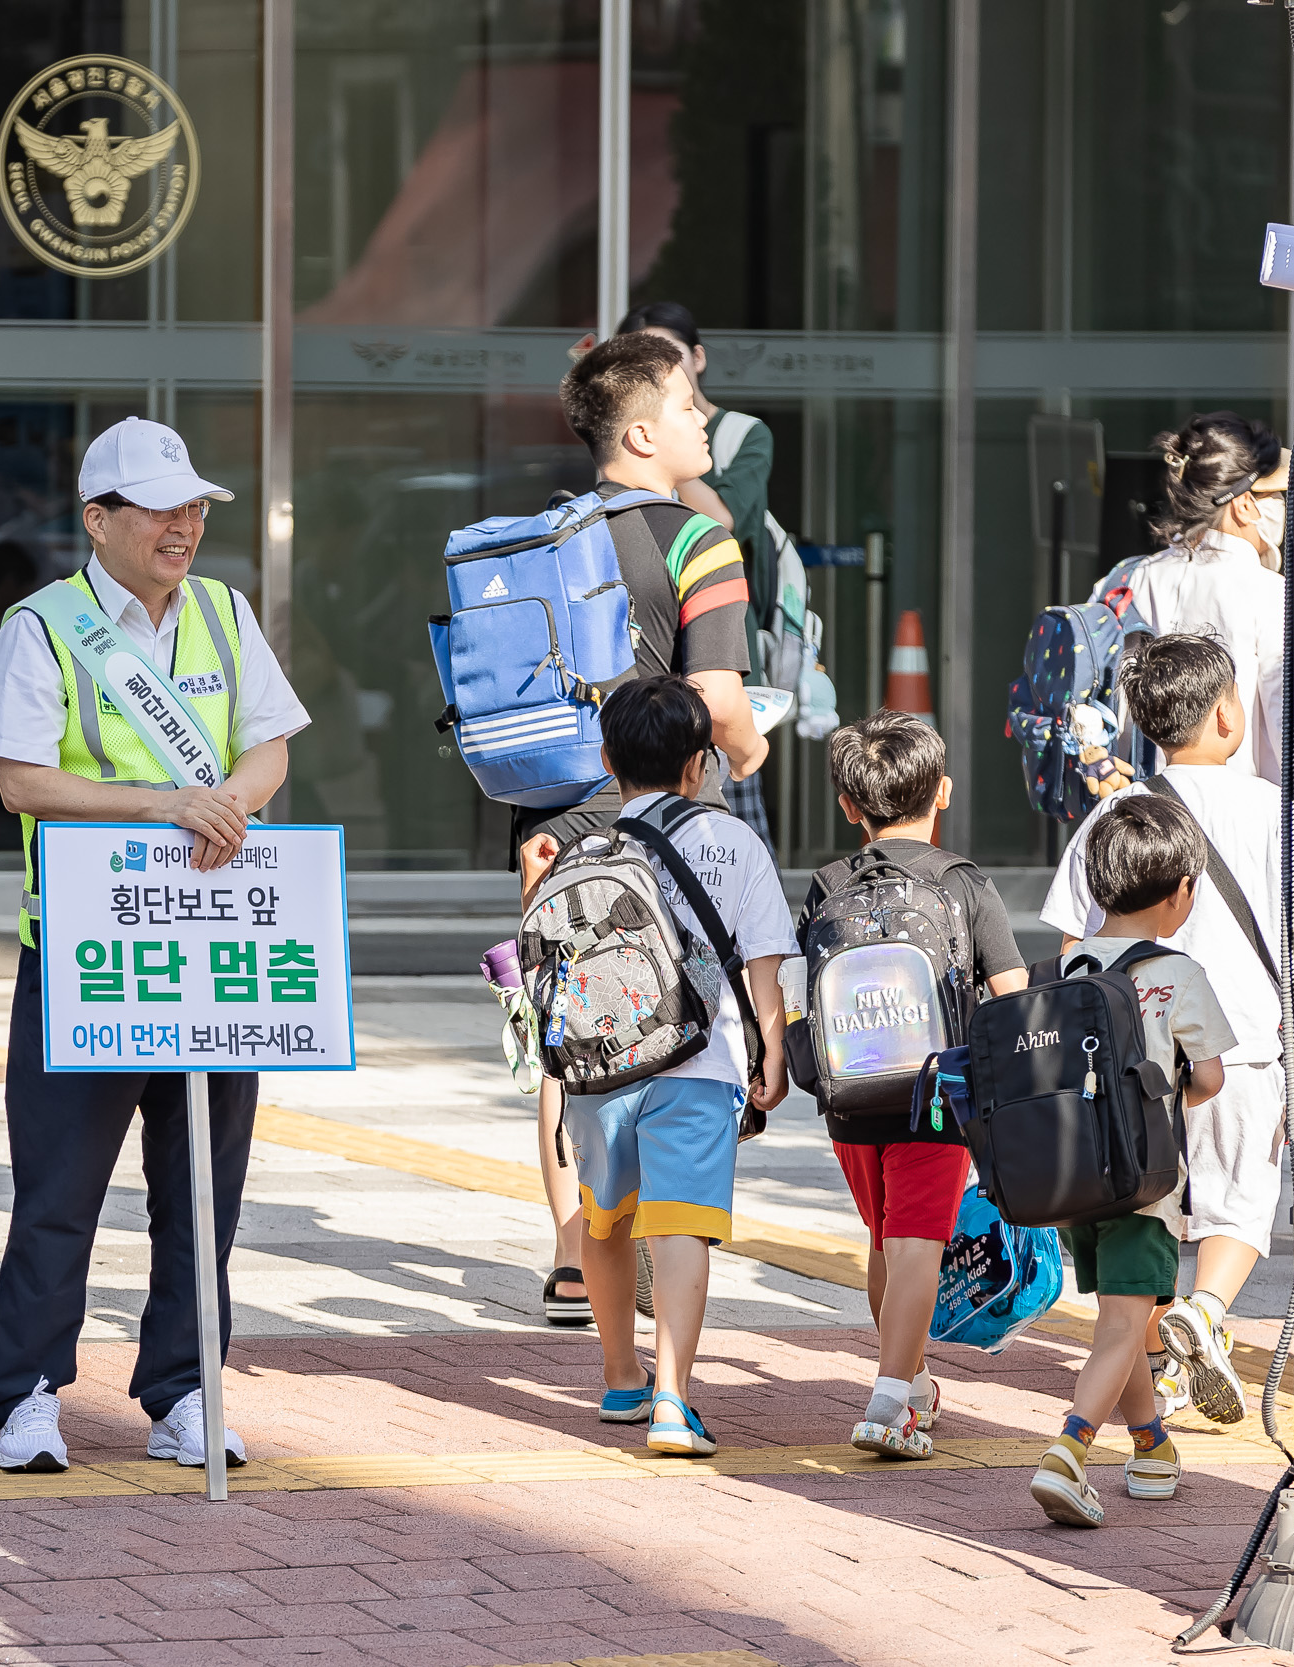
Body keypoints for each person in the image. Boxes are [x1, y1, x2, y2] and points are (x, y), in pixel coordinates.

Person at [0, 417, 310, 1473]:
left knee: (203, 1183)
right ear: (97, 521)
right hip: (88, 947)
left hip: (211, 941)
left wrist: (228, 808)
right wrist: (169, 804)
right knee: (59, 1186)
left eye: (195, 504)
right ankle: (28, 1393)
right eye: (161, 506)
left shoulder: (221, 609)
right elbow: (21, 778)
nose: (186, 523)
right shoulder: (42, 625)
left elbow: (270, 747)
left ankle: (185, 1389)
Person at [522, 331, 774, 1332]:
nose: (702, 419)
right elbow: (716, 693)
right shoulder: (697, 536)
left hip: (554, 814)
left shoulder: (546, 530)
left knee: (565, 1023)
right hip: (664, 814)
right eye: (685, 407)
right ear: (639, 431)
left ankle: (575, 1253)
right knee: (672, 1026)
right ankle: (658, 1247)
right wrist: (749, 750)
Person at [518, 675, 792, 1457]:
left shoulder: (579, 845)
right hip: (700, 1062)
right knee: (680, 1229)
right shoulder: (735, 843)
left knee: (605, 1221)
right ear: (700, 764)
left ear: (608, 760)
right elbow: (765, 967)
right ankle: (673, 1399)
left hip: (600, 1069)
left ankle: (618, 1375)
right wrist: (773, 1054)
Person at [1041, 635, 1283, 1429]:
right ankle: (1206, 1312)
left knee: (1151, 1217)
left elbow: (1072, 946)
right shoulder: (1274, 809)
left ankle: (1159, 1370)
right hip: (1239, 1049)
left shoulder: (1116, 810)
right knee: (1240, 1208)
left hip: (1134, 1063)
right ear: (1227, 711)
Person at [802, 711, 1027, 1458]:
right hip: (936, 1096)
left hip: (851, 1101)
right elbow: (1011, 989)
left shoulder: (827, 883)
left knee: (887, 1243)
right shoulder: (963, 882)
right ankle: (889, 1400)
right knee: (917, 1248)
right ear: (944, 792)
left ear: (849, 805)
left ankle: (914, 1380)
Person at [1029, 795, 1234, 1529]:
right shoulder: (1179, 972)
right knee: (1122, 1326)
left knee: (1132, 1315)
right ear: (1180, 893)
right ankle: (1067, 1451)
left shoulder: (1066, 963)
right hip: (1143, 1183)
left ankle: (1150, 1447)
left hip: (1071, 1180)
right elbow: (1208, 1079)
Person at [616, 300, 776, 847]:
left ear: (699, 357)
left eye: (673, 355)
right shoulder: (637, 462)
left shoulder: (740, 435)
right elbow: (720, 704)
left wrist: (670, 460)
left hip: (717, 643)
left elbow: (726, 521)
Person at [1094, 413, 1288, 784]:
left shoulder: (1125, 581)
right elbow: (1290, 733)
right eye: (1276, 494)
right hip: (1238, 821)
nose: (1282, 504)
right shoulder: (1268, 593)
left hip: (1138, 816)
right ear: (1245, 504)